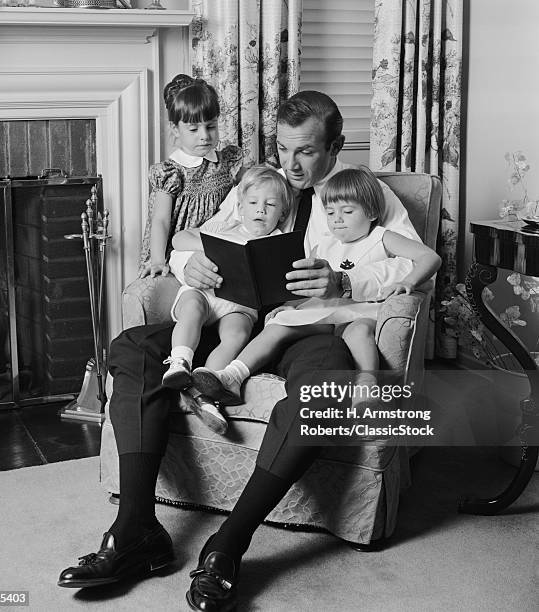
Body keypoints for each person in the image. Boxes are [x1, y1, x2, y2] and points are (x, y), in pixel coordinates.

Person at [58, 91, 422, 612]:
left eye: (306, 152)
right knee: (135, 346)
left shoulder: (364, 193)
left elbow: (412, 271)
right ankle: (135, 529)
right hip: (235, 317)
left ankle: (227, 545)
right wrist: (192, 267)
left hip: (310, 329)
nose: (291, 165)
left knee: (324, 397)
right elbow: (197, 241)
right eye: (282, 148)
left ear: (337, 146)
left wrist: (345, 282)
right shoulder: (257, 184)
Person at [191, 166, 441, 411]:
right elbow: (305, 287)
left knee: (359, 332)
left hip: (362, 309)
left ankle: (367, 385)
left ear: (372, 212)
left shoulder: (382, 237)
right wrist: (288, 306)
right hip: (327, 310)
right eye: (330, 213)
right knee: (279, 326)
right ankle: (232, 376)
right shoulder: (323, 246)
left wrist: (407, 281)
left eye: (347, 211)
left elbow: (430, 257)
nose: (338, 220)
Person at [162, 165, 294, 434]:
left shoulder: (279, 244)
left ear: (282, 213)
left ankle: (207, 392)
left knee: (237, 334)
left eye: (270, 205)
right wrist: (210, 246)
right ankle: (179, 362)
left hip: (240, 305)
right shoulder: (223, 227)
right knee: (192, 310)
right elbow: (178, 238)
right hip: (205, 293)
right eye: (253, 203)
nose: (261, 210)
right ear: (241, 207)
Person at [138, 73, 243, 279]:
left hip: (217, 247)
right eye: (194, 129)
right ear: (175, 129)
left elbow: (249, 187)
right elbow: (160, 220)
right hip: (180, 251)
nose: (204, 135)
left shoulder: (228, 162)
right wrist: (158, 260)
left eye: (211, 126)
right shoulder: (172, 173)